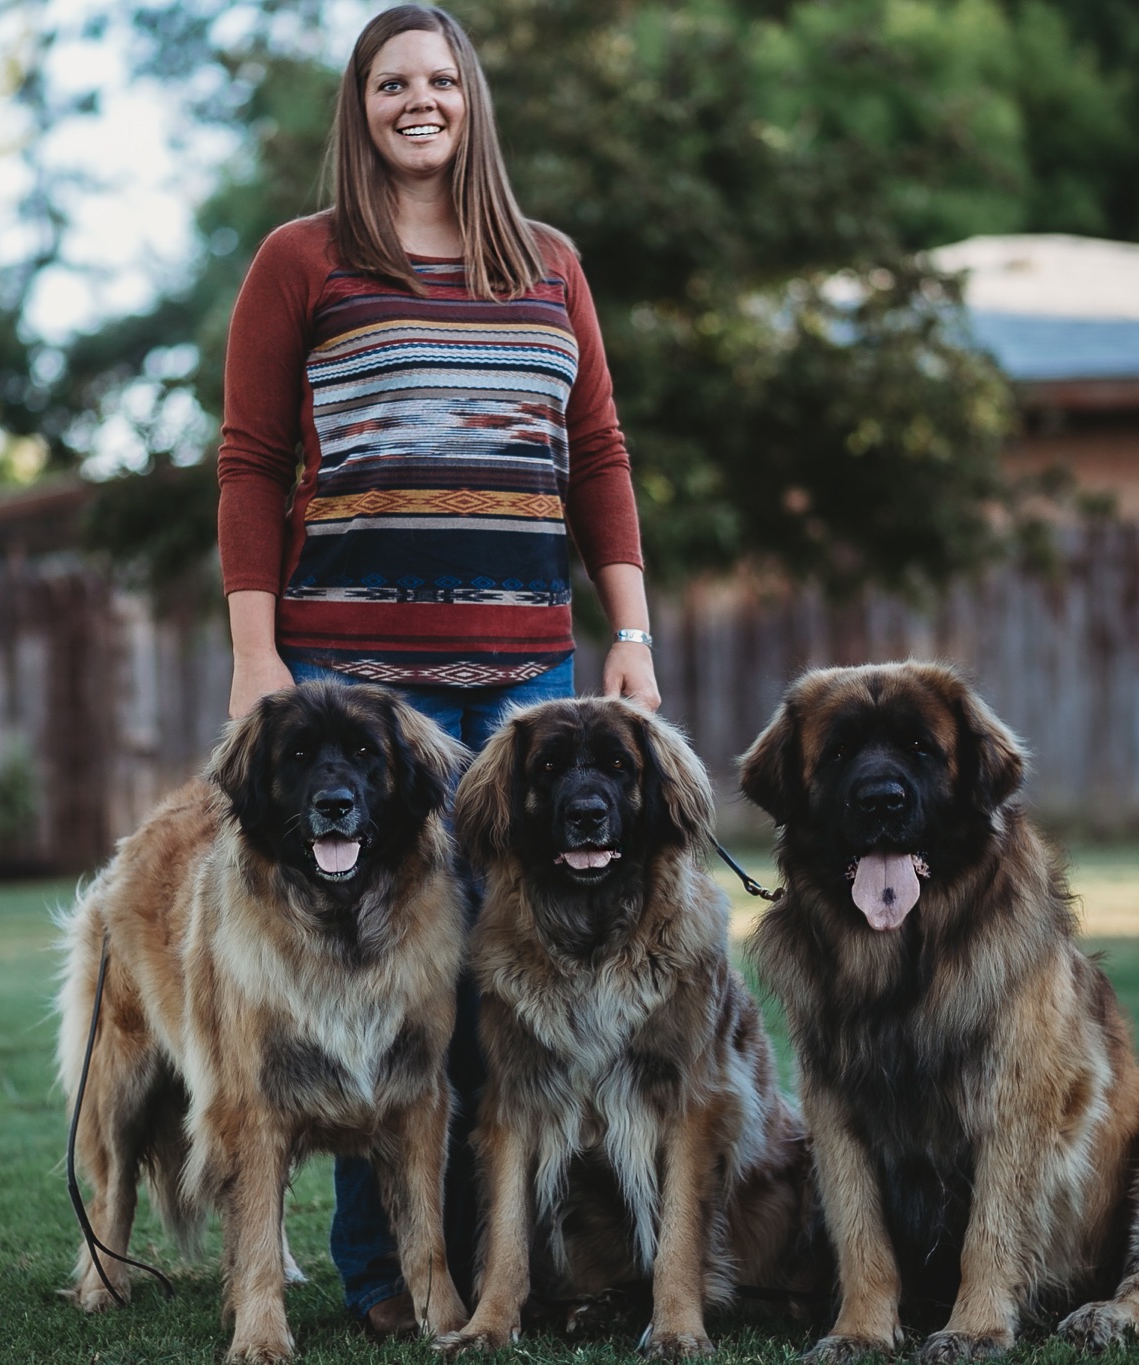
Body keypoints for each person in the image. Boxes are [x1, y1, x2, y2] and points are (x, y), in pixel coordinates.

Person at [214, 2, 660, 1335]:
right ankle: (386, 1284)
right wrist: (256, 659)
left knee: (514, 976)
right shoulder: (303, 262)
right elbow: (249, 461)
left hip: (529, 683)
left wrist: (629, 634)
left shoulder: (549, 262)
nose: (421, 100)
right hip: (360, 691)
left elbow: (599, 456)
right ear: (359, 108)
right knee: (374, 976)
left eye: (442, 80)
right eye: (392, 81)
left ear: (473, 103)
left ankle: (515, 1269)